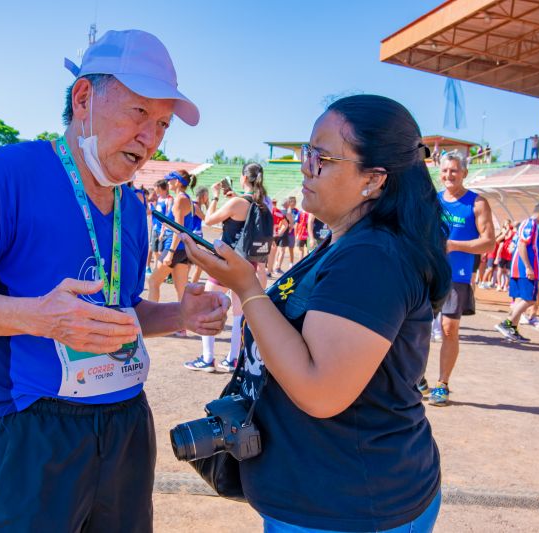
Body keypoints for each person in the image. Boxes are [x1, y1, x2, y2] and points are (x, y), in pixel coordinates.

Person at [0, 30, 229, 531]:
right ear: (83, 97)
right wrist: (39, 317)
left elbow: (120, 312)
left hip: (127, 417)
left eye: (162, 124)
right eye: (138, 113)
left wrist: (180, 315)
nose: (150, 138)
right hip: (36, 420)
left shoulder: (133, 204)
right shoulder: (10, 172)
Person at [181, 94, 448, 531]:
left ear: (374, 179)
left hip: (350, 506)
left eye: (322, 157)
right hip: (335, 493)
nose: (306, 165)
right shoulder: (349, 240)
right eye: (307, 152)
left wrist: (247, 288)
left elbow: (321, 390)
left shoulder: (372, 256)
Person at [184, 162, 270, 372]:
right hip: (248, 261)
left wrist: (215, 197)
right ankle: (233, 358)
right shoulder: (264, 203)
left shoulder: (236, 202)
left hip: (227, 260)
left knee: (209, 305)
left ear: (243, 177)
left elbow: (209, 221)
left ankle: (207, 358)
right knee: (239, 314)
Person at [427, 151, 494, 407]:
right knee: (418, 326)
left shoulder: (477, 203)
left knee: (449, 329)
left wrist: (454, 245)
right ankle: (416, 377)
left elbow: (488, 242)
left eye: (454, 170)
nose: (448, 175)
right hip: (429, 273)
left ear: (464, 172)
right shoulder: (432, 201)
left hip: (457, 276)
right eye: (444, 171)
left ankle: (442, 384)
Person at [496, 203, 539, 342]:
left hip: (521, 267)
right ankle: (507, 324)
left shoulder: (532, 226)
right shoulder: (531, 224)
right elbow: (522, 245)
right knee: (529, 299)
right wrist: (528, 267)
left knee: (521, 299)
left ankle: (512, 329)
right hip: (524, 267)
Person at [147, 170, 197, 306]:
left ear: (178, 182)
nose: (168, 182)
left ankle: (150, 319)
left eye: (171, 179)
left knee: (153, 282)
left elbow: (179, 229)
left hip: (175, 248)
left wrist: (170, 252)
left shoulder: (180, 199)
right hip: (182, 249)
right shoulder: (185, 198)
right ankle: (182, 326)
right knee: (181, 290)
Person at [149, 178, 173, 269]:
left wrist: (163, 230)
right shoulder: (157, 198)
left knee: (161, 252)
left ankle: (162, 271)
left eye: (156, 187)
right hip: (156, 228)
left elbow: (168, 216)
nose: (154, 188)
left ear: (160, 187)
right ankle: (155, 268)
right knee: (154, 251)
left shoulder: (169, 199)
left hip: (163, 229)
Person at [189, 185, 209, 283]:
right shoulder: (195, 205)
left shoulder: (197, 205)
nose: (208, 197)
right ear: (203, 195)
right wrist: (208, 205)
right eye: (207, 195)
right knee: (199, 265)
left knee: (196, 265)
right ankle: (191, 285)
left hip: (196, 235)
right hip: (194, 235)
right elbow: (207, 219)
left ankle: (191, 285)